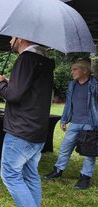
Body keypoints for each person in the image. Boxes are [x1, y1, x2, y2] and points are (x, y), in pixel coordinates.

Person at [0, 37, 55, 207]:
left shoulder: (26, 59)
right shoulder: (44, 61)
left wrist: (0, 84)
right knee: (30, 175)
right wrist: (8, 82)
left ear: (20, 38)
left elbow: (13, 95)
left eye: (12, 37)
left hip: (21, 130)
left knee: (10, 175)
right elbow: (26, 91)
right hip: (38, 129)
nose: (10, 41)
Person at [44, 58, 98, 190]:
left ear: (85, 71)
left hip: (91, 124)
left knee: (89, 153)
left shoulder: (95, 84)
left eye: (74, 69)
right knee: (64, 148)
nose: (71, 72)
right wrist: (64, 119)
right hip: (74, 123)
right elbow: (69, 104)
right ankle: (58, 170)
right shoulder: (72, 85)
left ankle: (85, 178)